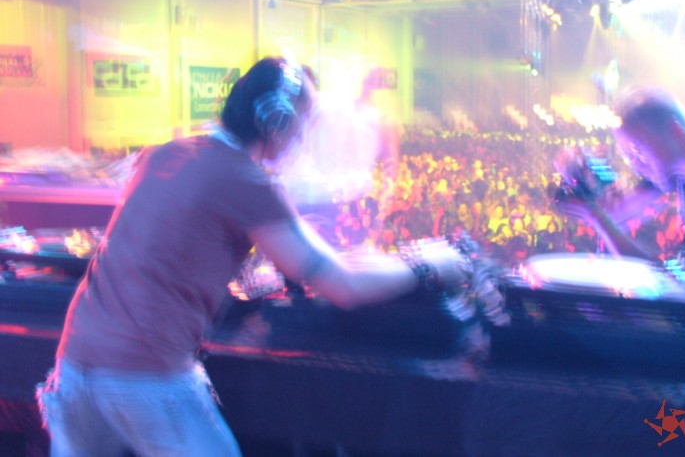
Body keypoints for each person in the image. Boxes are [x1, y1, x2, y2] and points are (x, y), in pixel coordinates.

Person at [35, 56, 467, 457]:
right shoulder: (245, 181)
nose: (302, 137)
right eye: (302, 122)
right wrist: (427, 265)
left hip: (74, 365)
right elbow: (342, 286)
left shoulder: (167, 152)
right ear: (276, 120)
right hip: (144, 374)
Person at [553, 86, 685, 262]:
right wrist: (585, 174)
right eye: (628, 156)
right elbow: (617, 212)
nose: (636, 166)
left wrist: (597, 218)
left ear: (676, 133)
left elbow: (675, 279)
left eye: (638, 151)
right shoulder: (676, 162)